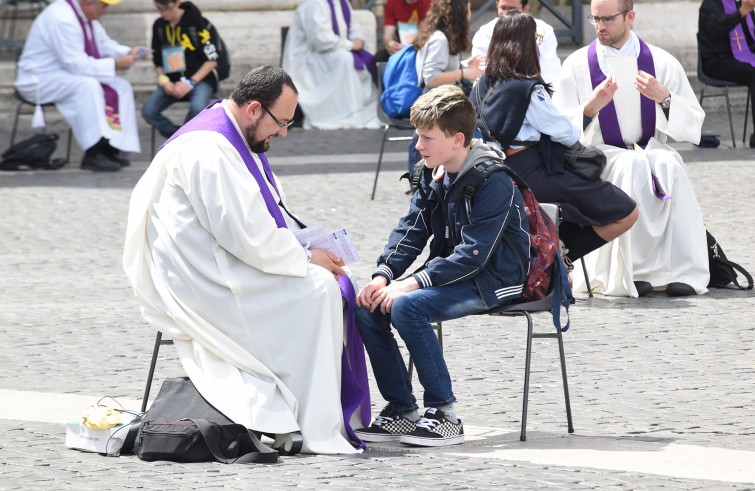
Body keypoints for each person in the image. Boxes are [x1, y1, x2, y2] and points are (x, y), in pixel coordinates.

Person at [122, 65, 371, 454]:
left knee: (327, 280)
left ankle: (312, 411)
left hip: (218, 258)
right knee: (321, 288)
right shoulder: (210, 150)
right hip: (205, 280)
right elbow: (247, 237)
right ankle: (312, 421)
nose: (284, 132)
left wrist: (304, 247)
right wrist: (305, 255)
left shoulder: (234, 135)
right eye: (281, 122)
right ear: (254, 108)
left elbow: (254, 221)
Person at [354, 85, 531, 447]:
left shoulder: (493, 180)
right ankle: (402, 410)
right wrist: (383, 274)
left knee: (406, 305)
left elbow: (475, 255)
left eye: (426, 137)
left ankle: (444, 413)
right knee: (368, 309)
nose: (418, 145)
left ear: (457, 139)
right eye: (418, 135)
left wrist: (411, 283)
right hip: (454, 273)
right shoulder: (431, 171)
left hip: (498, 278)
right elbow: (411, 230)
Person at [553, 0, 710, 297]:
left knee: (669, 164)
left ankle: (682, 270)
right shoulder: (576, 65)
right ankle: (632, 272)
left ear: (630, 17)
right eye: (594, 18)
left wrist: (664, 98)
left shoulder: (661, 62)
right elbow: (558, 127)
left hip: (649, 146)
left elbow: (693, 125)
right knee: (632, 166)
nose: (600, 26)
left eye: (608, 19)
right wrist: (589, 109)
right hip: (600, 154)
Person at [472, 10, 638, 271]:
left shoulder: (481, 85)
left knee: (579, 210)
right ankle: (556, 260)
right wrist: (591, 108)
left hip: (495, 176)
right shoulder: (527, 89)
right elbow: (567, 134)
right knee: (627, 211)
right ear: (525, 44)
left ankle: (552, 255)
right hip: (531, 173)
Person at [14, 0, 147, 171]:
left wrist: (128, 53)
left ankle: (113, 145)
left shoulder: (86, 16)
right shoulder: (61, 18)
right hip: (40, 79)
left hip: (63, 75)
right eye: (104, 5)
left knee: (121, 86)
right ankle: (93, 150)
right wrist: (114, 64)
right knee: (87, 86)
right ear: (88, 2)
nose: (106, 10)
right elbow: (75, 64)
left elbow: (105, 45)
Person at [407, 0, 485, 172]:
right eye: (468, 10)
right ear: (458, 13)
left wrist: (463, 65)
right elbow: (431, 77)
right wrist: (464, 73)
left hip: (438, 107)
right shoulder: (440, 39)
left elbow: (440, 68)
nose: (470, 15)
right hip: (437, 108)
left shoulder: (439, 35)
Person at [281, 0, 380, 129]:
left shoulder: (342, 3)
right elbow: (321, 40)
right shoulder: (315, 4)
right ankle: (343, 113)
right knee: (345, 60)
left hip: (332, 50)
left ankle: (358, 111)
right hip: (308, 57)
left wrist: (358, 39)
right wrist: (350, 45)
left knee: (353, 59)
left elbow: (353, 27)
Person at [141, 0, 221, 139]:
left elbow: (211, 61)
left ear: (177, 2)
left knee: (198, 108)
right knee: (148, 110)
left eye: (167, 8)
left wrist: (190, 83)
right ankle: (180, 138)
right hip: (172, 81)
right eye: (159, 9)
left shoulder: (198, 23)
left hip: (200, 80)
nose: (164, 13)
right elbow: (158, 61)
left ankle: (182, 140)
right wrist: (164, 81)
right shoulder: (159, 26)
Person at [698, 0, 755, 148]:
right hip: (717, 61)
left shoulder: (742, 5)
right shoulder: (710, 5)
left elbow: (751, 40)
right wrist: (741, 13)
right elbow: (717, 29)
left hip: (743, 59)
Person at [471, 0, 562, 84]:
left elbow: (550, 71)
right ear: (497, 5)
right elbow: (481, 73)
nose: (506, 13)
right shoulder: (484, 33)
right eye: (503, 8)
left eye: (512, 9)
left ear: (526, 9)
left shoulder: (544, 30)